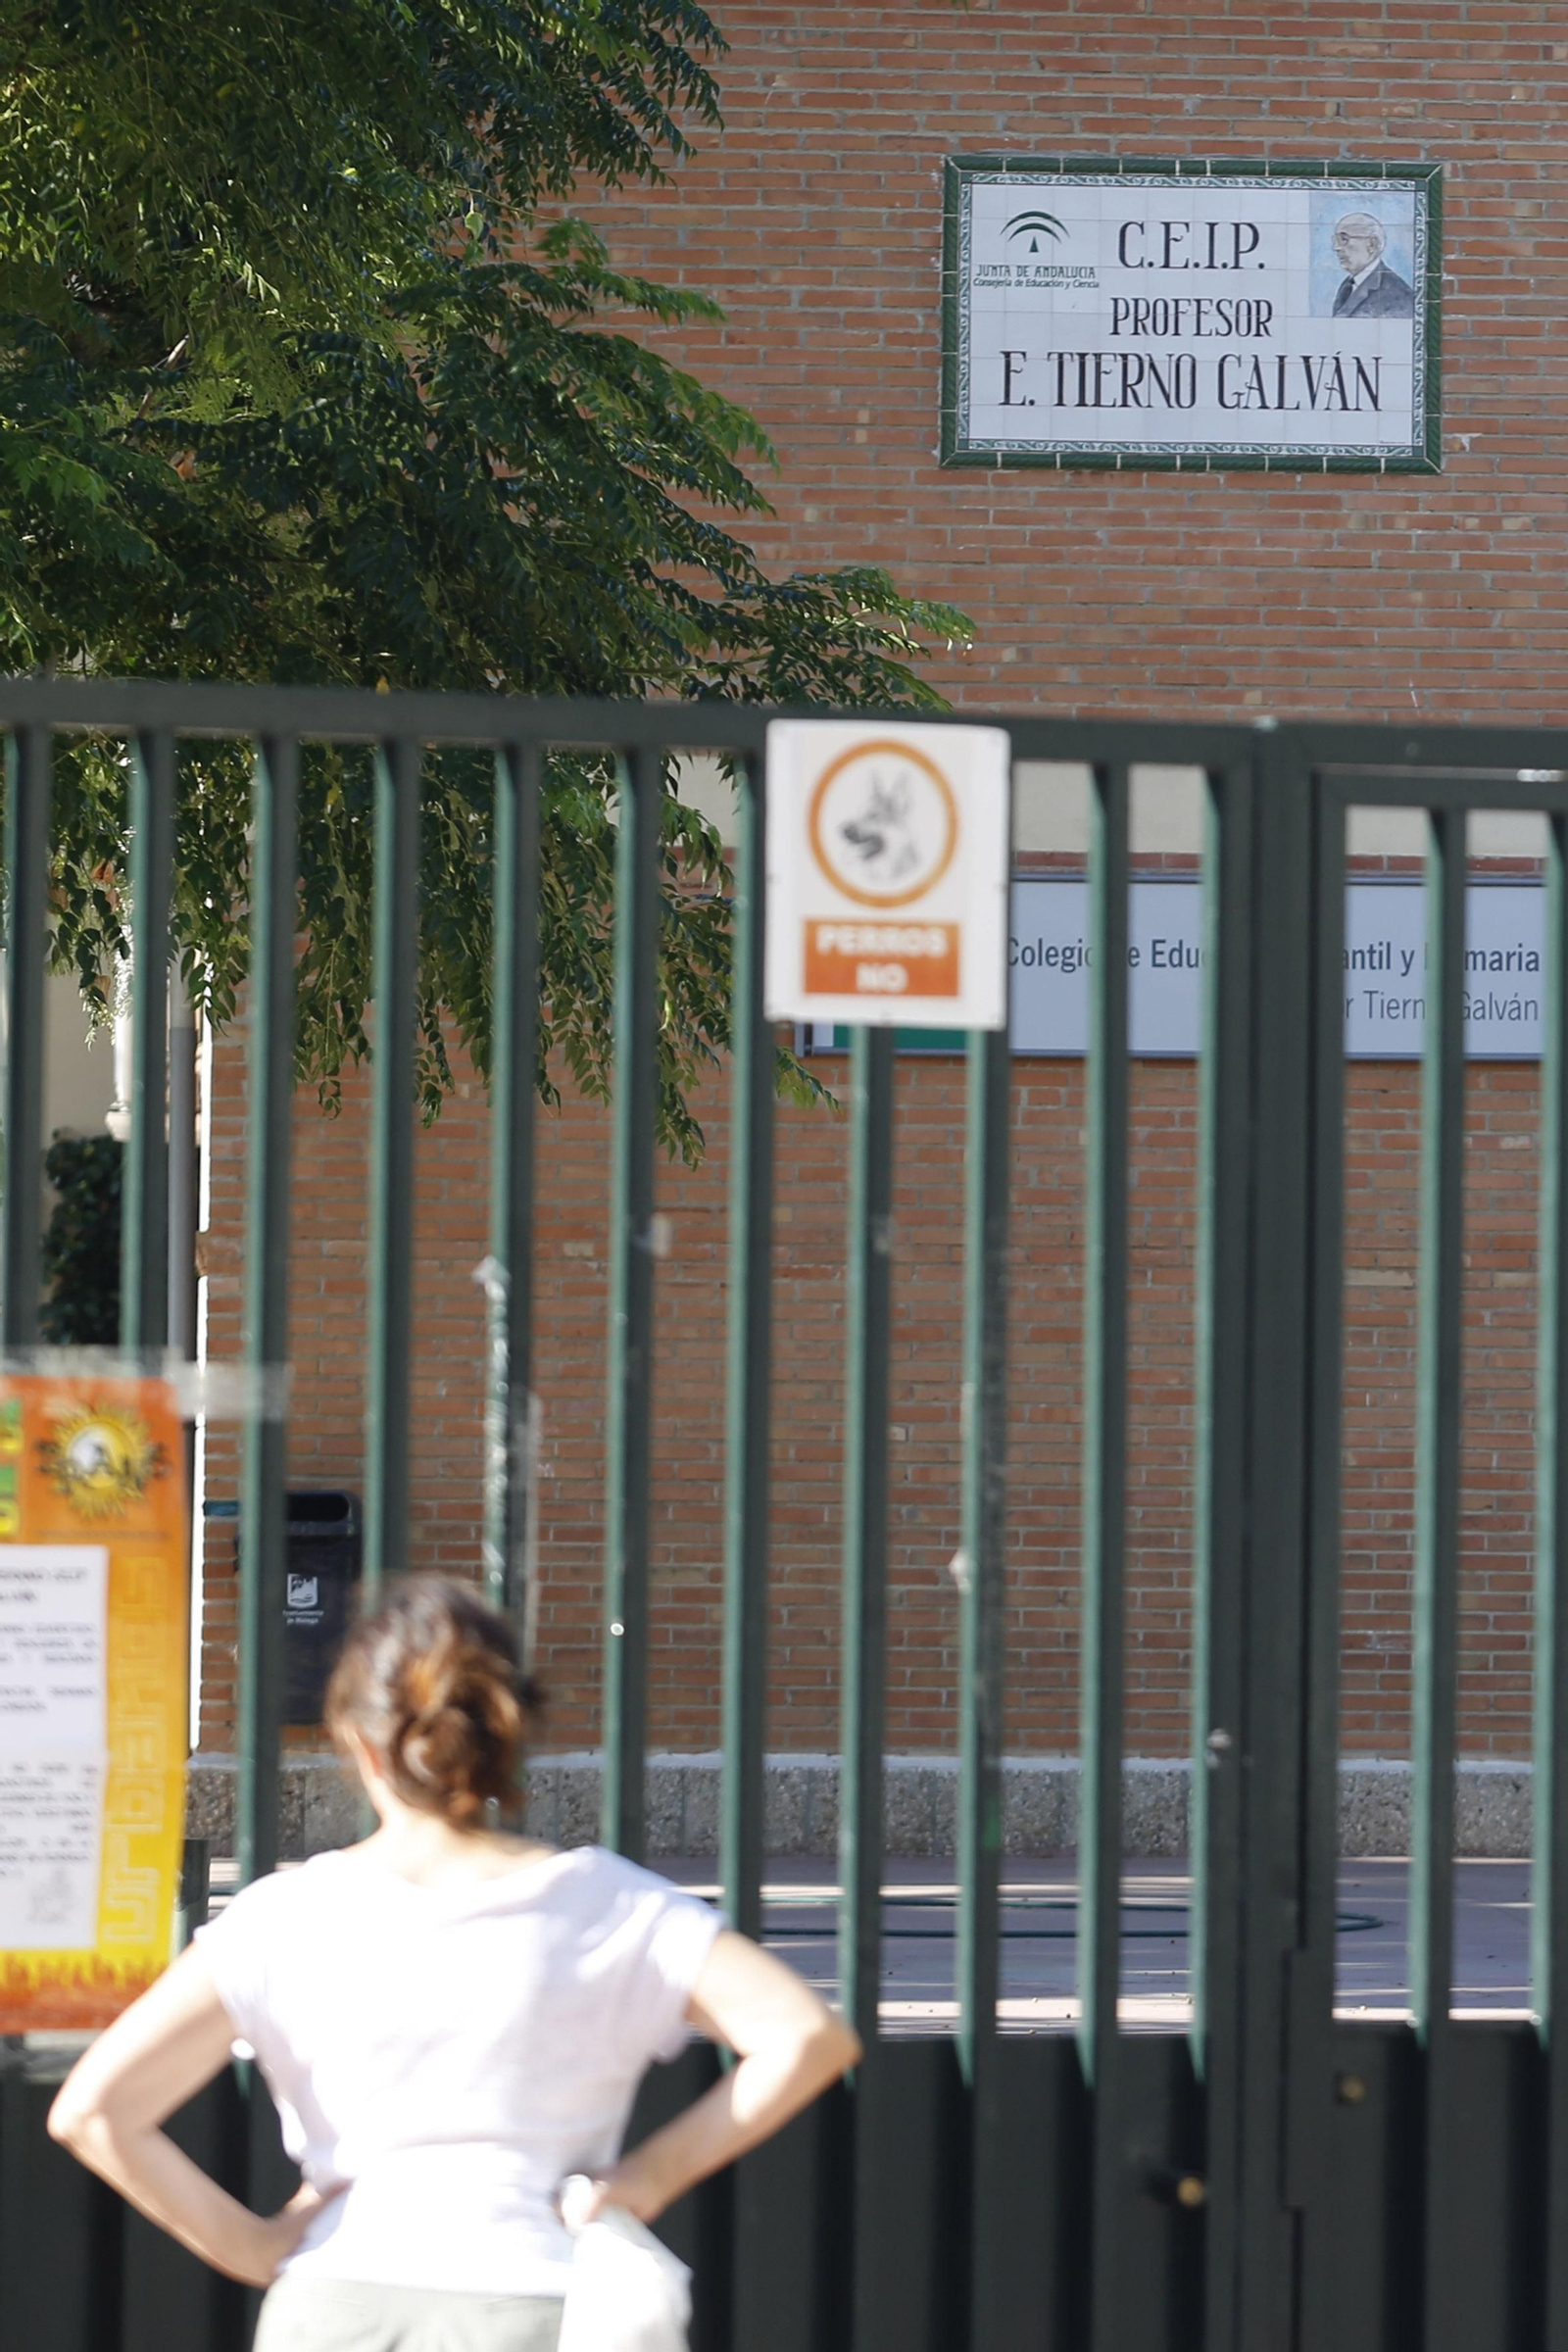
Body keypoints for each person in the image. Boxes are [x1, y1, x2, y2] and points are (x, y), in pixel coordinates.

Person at [48, 1577, 860, 2351]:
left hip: (336, 2304)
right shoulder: (610, 1907)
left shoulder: (283, 1918)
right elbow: (805, 2034)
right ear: (508, 1734)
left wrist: (258, 2247)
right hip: (539, 2303)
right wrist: (647, 2178)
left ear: (358, 1743)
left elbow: (93, 2112)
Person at [1329, 213, 1414, 319]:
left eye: (1344, 239)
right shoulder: (1347, 285)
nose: (1336, 247)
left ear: (1372, 244)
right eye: (1335, 240)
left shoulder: (1397, 294)